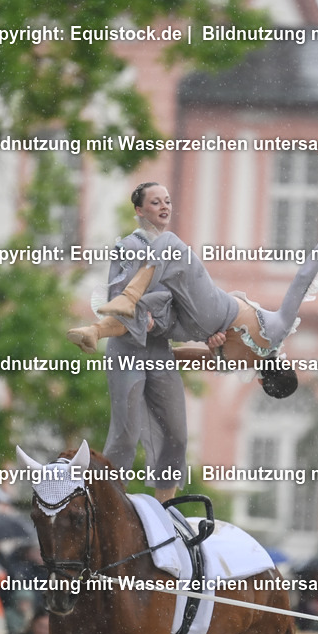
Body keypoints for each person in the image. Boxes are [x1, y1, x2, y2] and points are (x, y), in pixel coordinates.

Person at [68, 201, 318, 400]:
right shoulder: (236, 364)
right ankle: (95, 331)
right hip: (190, 329)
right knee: (148, 315)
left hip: (215, 309)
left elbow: (301, 281)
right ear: (261, 381)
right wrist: (159, 356)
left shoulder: (279, 331)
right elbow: (188, 358)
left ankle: (127, 298)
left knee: (171, 245)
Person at [80, 182, 189, 503]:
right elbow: (119, 300)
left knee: (177, 433)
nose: (164, 206)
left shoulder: (176, 250)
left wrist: (208, 333)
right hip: (126, 348)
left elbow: (183, 303)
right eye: (155, 202)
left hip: (159, 350)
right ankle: (109, 505)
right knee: (125, 435)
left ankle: (165, 509)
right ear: (139, 210)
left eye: (167, 201)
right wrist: (146, 318)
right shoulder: (128, 247)